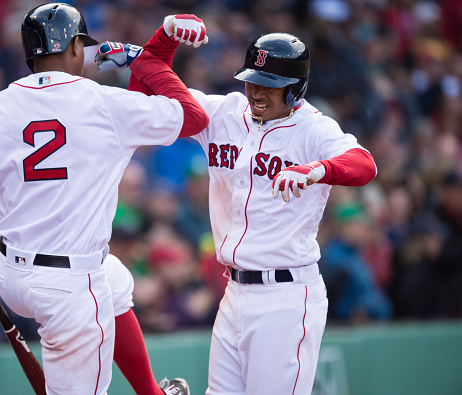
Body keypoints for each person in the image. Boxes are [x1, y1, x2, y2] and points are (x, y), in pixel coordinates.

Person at [0, 3, 208, 394]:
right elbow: (194, 117)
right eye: (82, 46)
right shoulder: (103, 102)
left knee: (114, 281)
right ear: (74, 46)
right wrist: (144, 55)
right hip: (67, 285)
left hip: (13, 274)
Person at [96, 22, 377, 394]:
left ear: (294, 88)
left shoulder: (313, 129)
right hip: (234, 292)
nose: (256, 91)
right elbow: (157, 94)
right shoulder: (226, 111)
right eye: (251, 80)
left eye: (269, 84)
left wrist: (317, 170)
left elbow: (364, 164)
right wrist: (149, 48)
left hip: (287, 296)